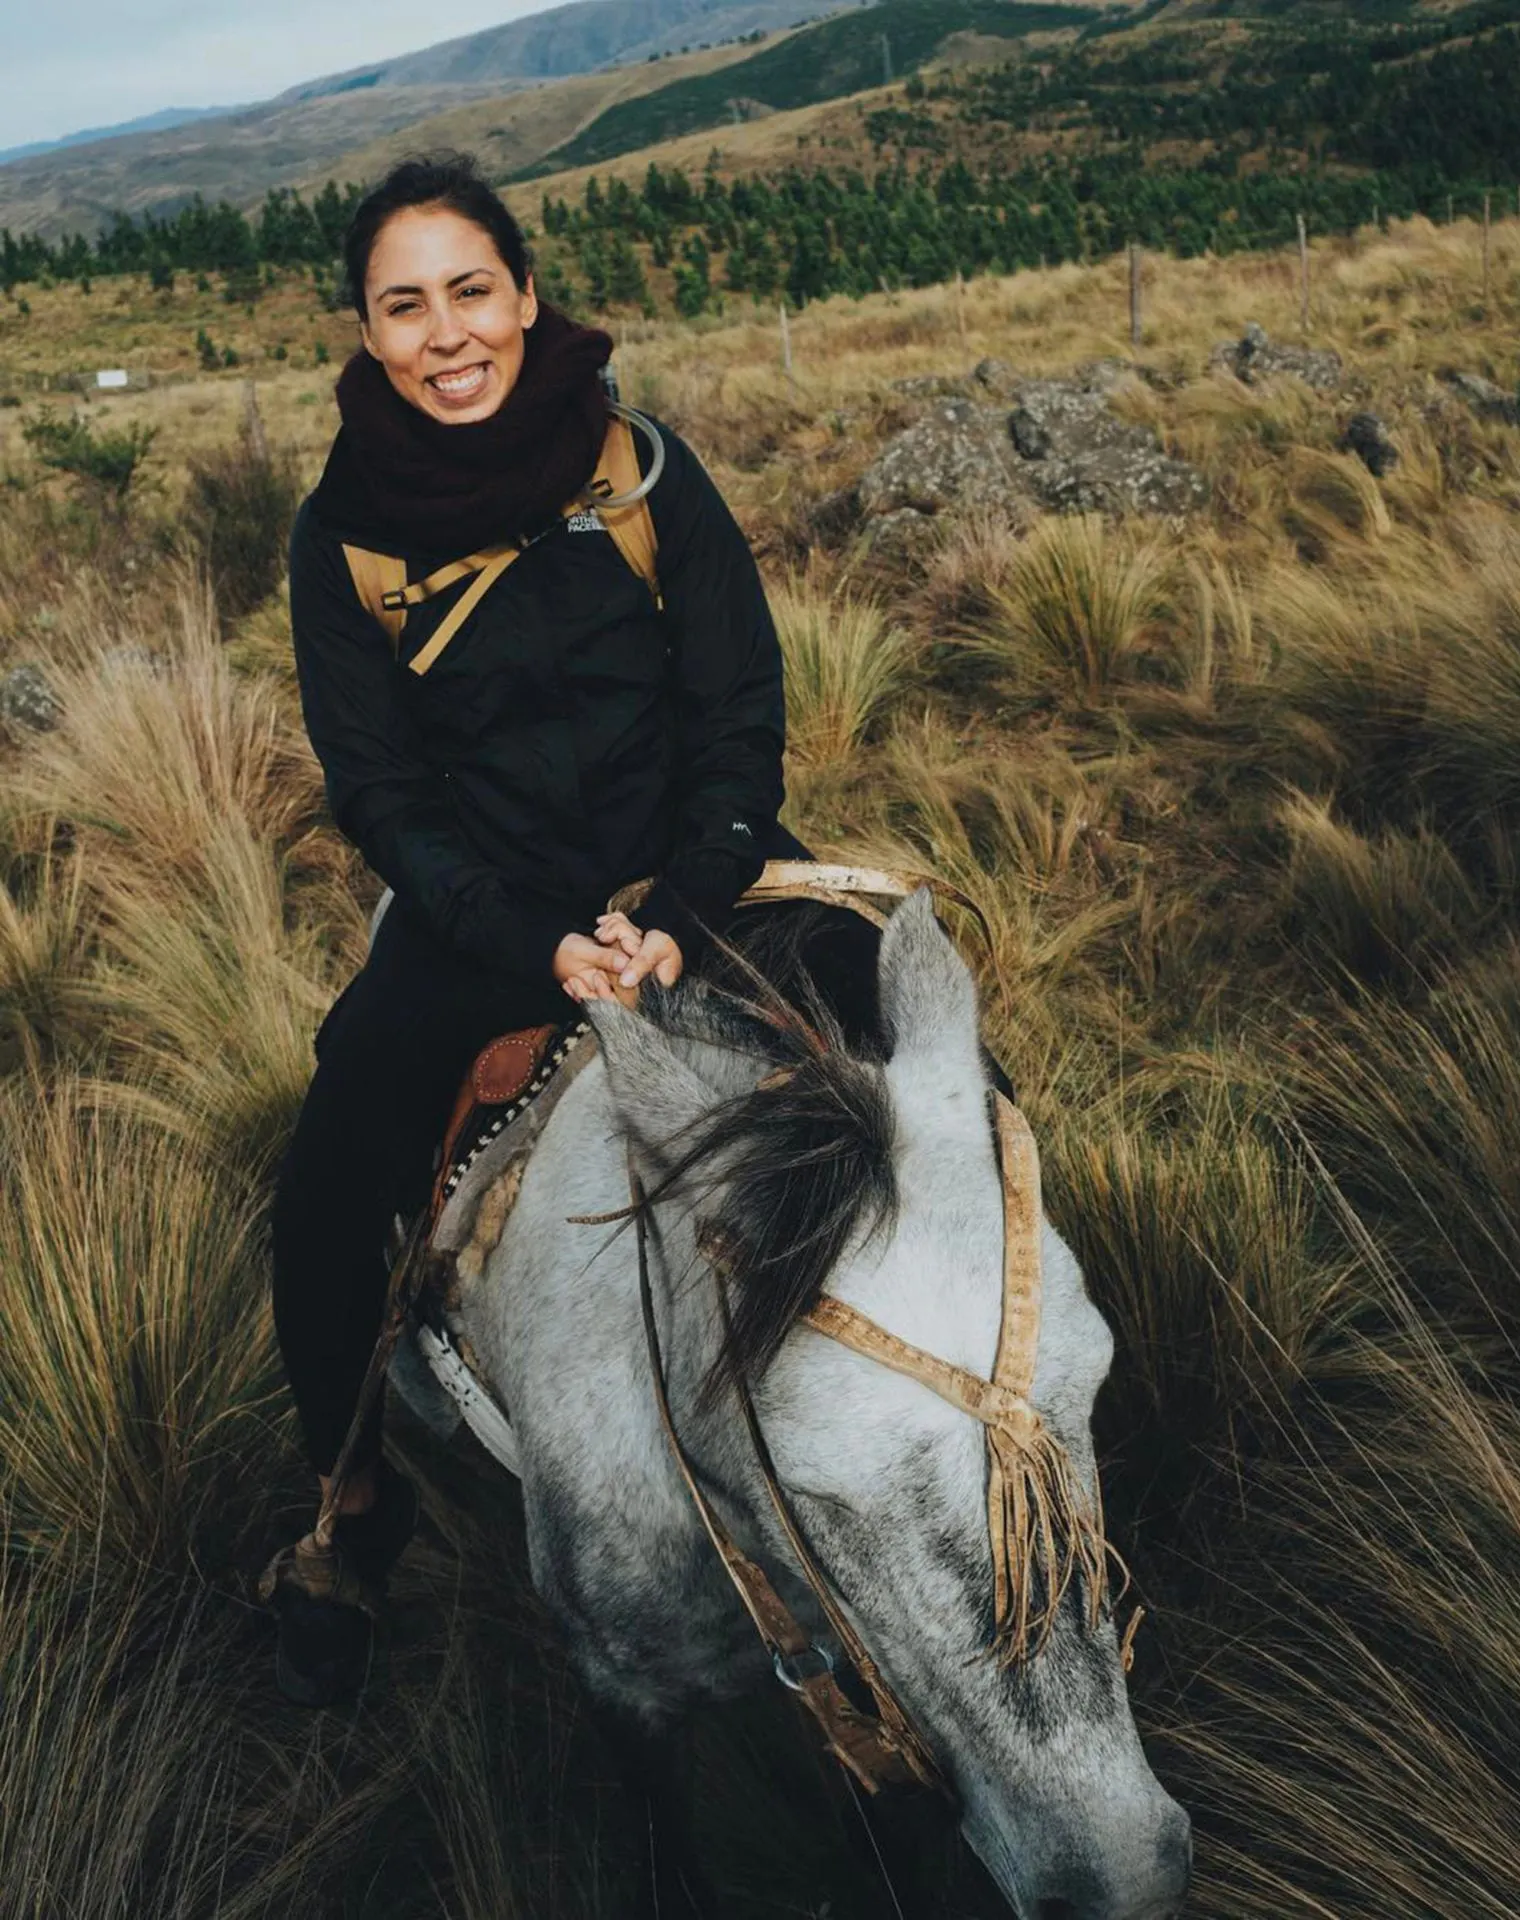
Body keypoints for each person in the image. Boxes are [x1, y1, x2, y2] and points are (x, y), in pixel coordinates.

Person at [268, 152, 788, 1696]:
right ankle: (352, 1508)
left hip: (699, 876)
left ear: (526, 295)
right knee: (331, 1165)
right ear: (368, 336)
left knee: (930, 1060)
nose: (447, 335)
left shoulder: (639, 472)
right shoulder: (343, 537)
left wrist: (692, 904)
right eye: (404, 306)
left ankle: (1017, 1408)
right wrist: (524, 941)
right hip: (480, 910)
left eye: (470, 292)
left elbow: (738, 703)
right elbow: (378, 789)